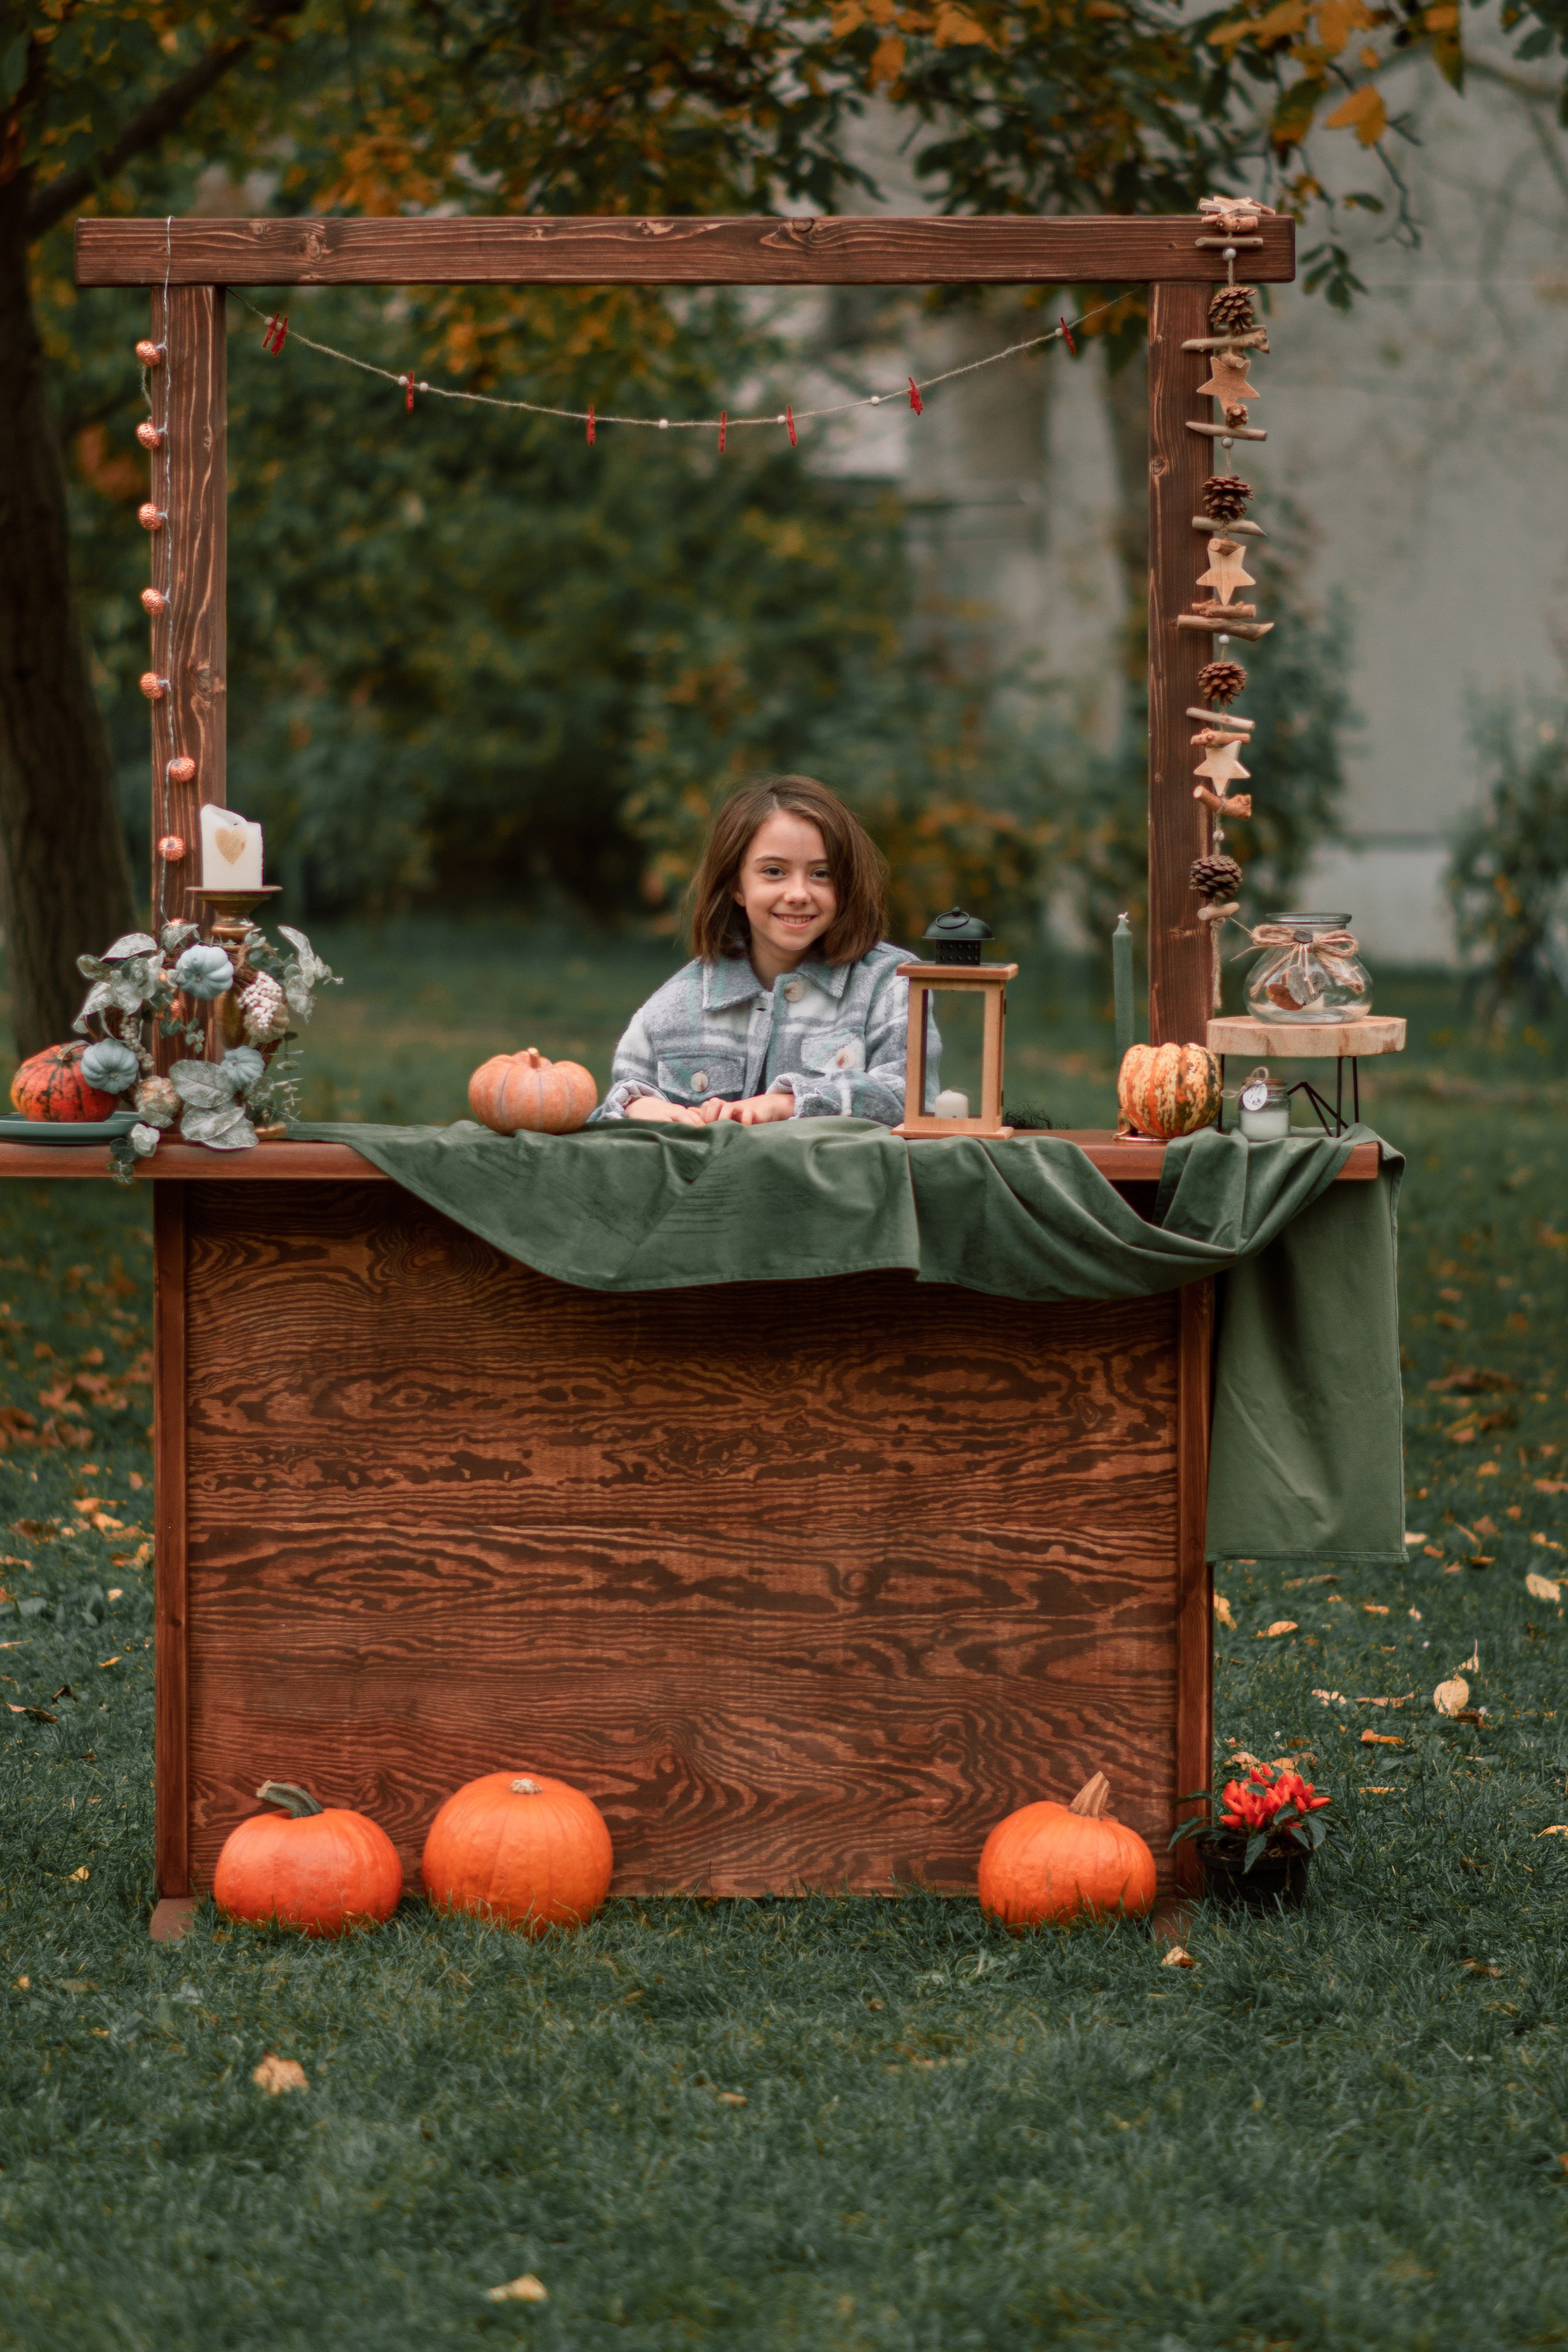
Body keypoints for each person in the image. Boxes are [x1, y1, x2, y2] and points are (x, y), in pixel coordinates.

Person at [594, 774, 933, 1128]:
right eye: (774, 871)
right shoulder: (673, 1008)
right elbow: (613, 1119)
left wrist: (787, 1104)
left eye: (821, 874)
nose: (799, 893)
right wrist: (636, 1108)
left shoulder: (890, 985)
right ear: (736, 886)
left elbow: (910, 1100)